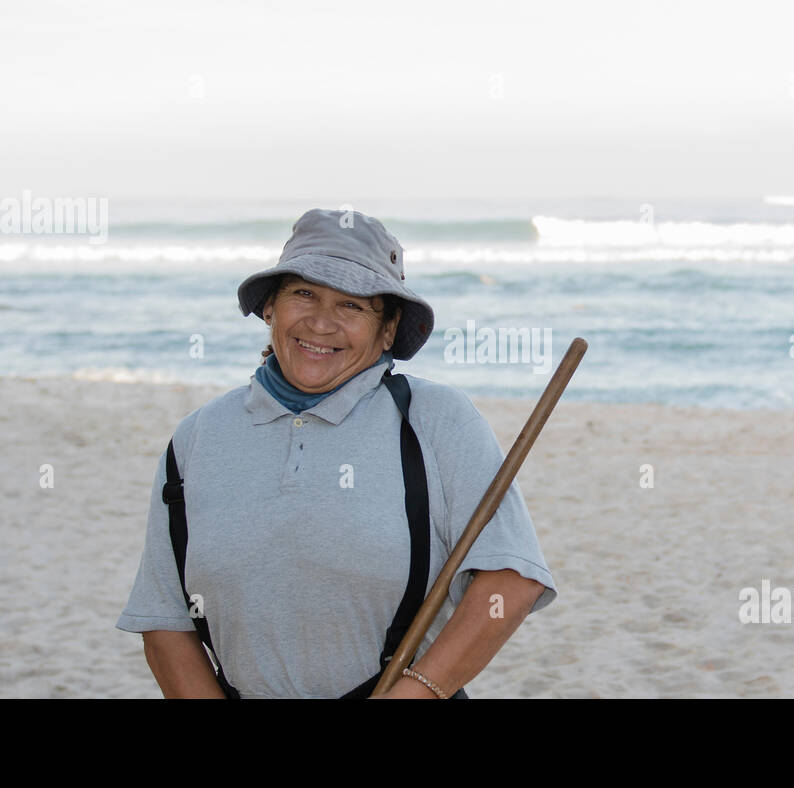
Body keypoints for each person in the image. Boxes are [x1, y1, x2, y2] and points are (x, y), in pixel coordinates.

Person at [116, 208, 557, 698]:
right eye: (303, 293)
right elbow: (164, 619)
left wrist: (417, 692)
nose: (321, 322)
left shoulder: (437, 419)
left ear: (387, 330)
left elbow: (511, 579)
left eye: (352, 305)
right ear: (269, 308)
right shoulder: (197, 437)